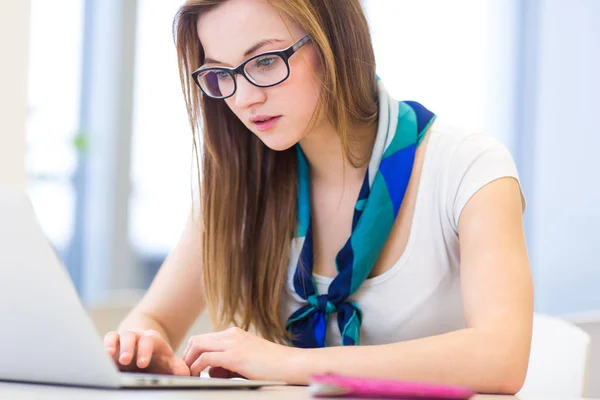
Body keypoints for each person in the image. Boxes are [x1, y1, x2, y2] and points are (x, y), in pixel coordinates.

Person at [103, 0, 533, 393]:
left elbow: (501, 357)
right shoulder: (240, 182)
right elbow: (154, 319)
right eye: (221, 74)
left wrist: (288, 363)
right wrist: (141, 346)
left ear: (333, 41)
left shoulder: (470, 168)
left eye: (266, 61)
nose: (245, 97)